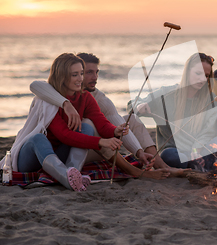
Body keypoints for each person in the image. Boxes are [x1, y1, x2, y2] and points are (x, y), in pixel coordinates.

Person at [29, 53, 175, 179]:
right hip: (65, 146)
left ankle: (160, 164)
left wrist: (130, 143)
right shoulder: (50, 96)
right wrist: (65, 103)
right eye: (88, 72)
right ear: (65, 74)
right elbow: (36, 85)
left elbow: (109, 122)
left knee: (132, 120)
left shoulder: (94, 97)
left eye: (96, 72)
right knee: (87, 124)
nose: (95, 77)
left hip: (82, 145)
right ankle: (134, 171)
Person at [4, 53, 129, 191]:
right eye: (74, 75)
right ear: (62, 77)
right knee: (37, 138)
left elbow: (101, 123)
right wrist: (100, 141)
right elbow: (64, 135)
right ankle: (67, 177)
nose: (80, 79)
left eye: (81, 73)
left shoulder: (85, 97)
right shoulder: (48, 100)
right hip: (31, 158)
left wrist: (115, 130)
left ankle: (72, 173)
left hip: (58, 155)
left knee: (86, 127)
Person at [135, 53, 217, 172]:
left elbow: (207, 132)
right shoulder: (167, 93)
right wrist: (140, 106)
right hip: (175, 151)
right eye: (198, 73)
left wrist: (196, 150)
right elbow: (133, 104)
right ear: (187, 71)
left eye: (206, 76)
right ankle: (197, 166)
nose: (202, 79)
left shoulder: (211, 100)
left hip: (200, 149)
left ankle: (199, 164)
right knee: (169, 156)